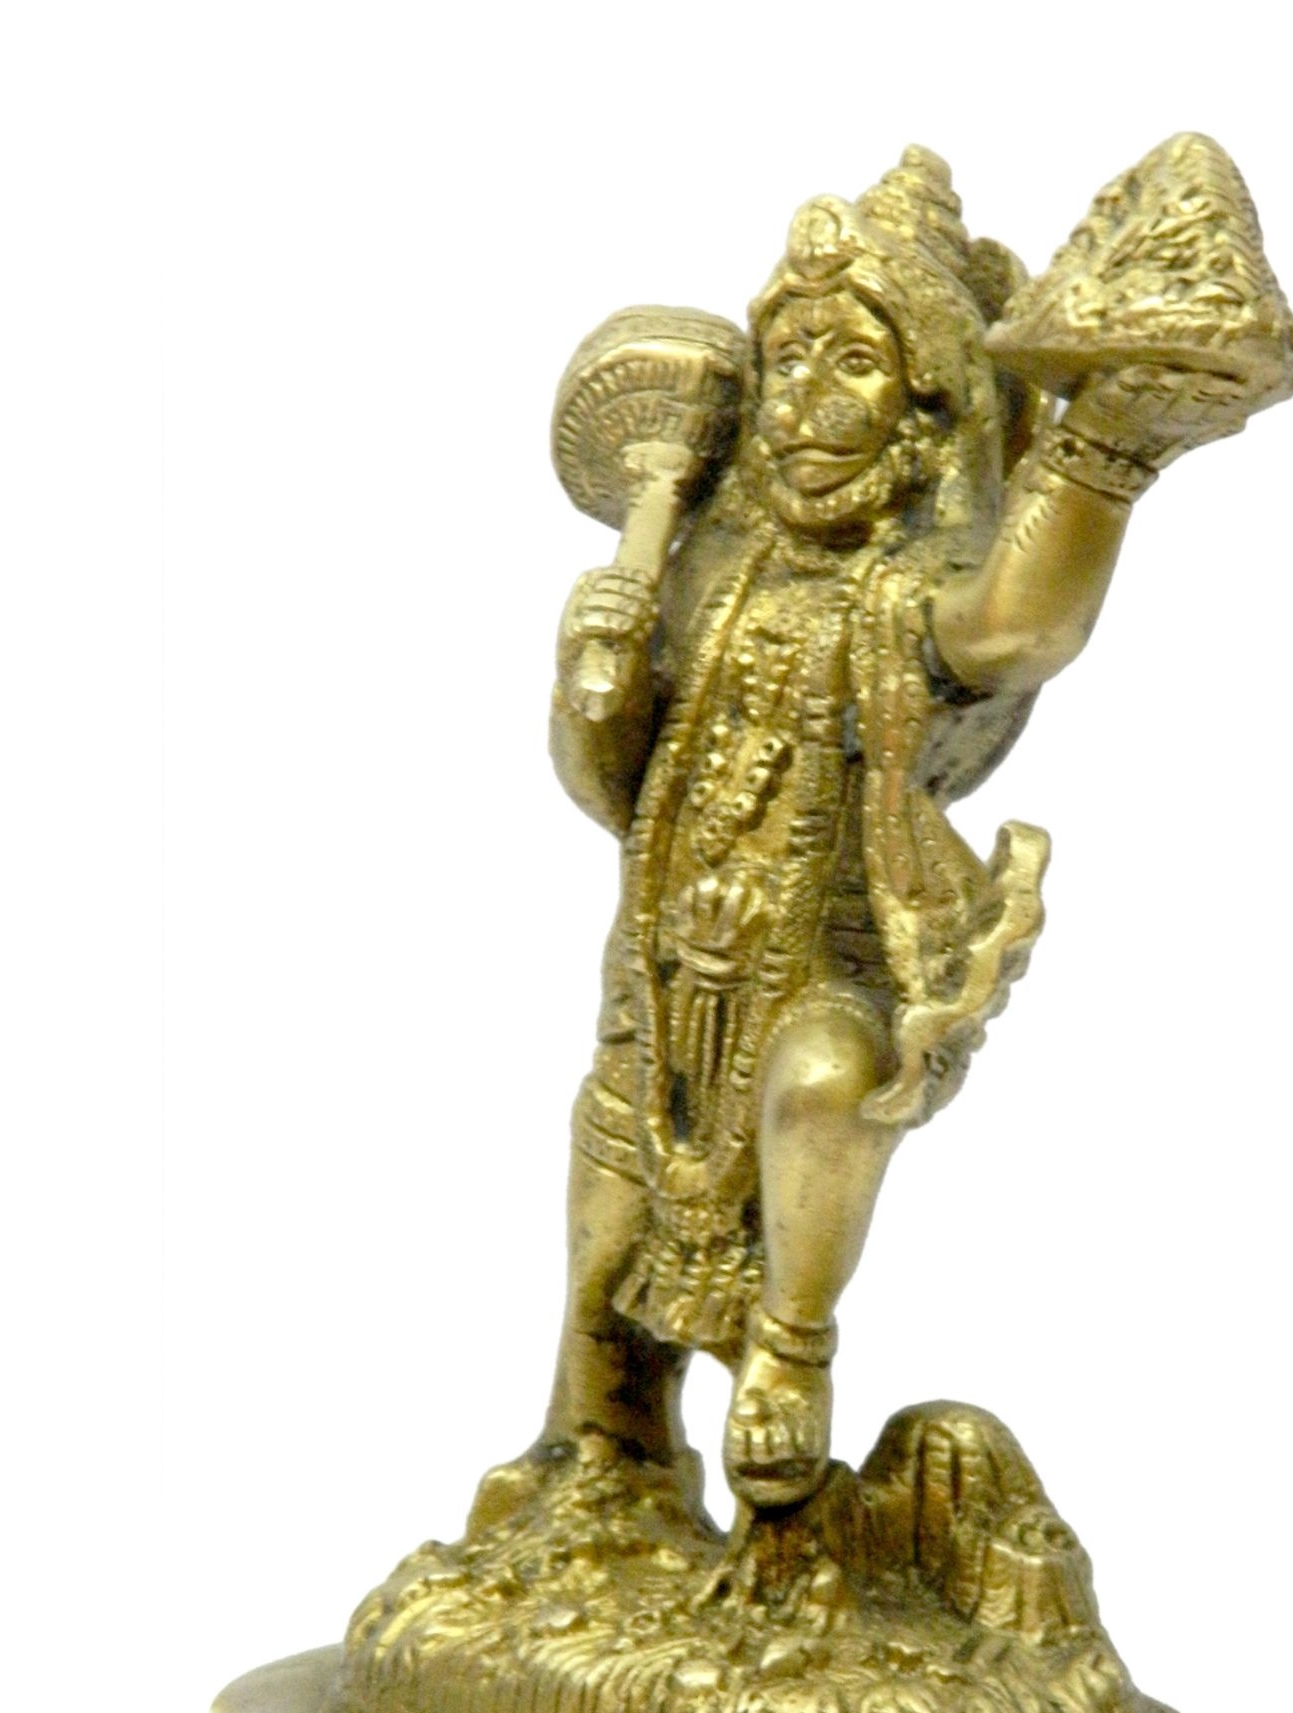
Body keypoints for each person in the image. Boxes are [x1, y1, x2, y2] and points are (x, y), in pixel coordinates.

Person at [509, 148, 1156, 1517]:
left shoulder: (908, 587)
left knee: (819, 1089)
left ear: (926, 407)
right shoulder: (708, 564)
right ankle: (603, 1457)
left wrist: (1107, 446)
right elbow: (616, 789)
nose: (807, 399)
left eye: (854, 363)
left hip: (835, 959)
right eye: (789, 360)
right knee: (606, 1239)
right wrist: (595, 684)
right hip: (662, 980)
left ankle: (791, 1352)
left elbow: (1015, 629)